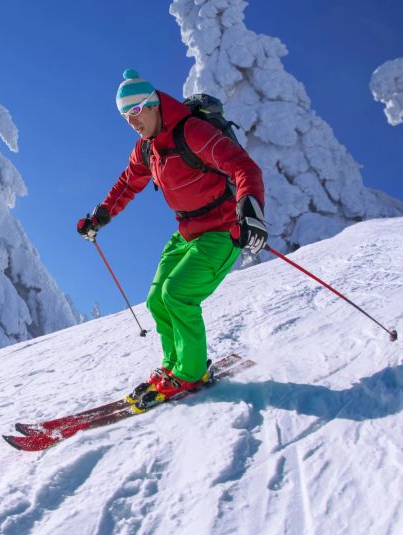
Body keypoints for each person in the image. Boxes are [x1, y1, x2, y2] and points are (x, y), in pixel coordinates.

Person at [77, 69, 268, 401]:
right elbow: (127, 184)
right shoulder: (146, 150)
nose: (132, 121)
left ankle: (190, 373)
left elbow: (243, 166)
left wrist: (250, 208)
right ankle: (173, 364)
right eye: (125, 115)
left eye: (136, 111)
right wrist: (101, 216)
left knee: (178, 294)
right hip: (186, 232)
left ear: (153, 105)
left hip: (222, 230)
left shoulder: (192, 132)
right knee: (156, 299)